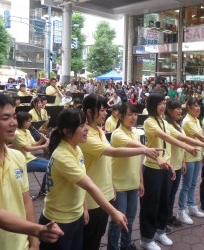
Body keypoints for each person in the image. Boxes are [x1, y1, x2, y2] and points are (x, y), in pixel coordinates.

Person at [0, 93, 63, 250]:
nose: (14, 123)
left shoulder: (17, 157)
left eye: (14, 117)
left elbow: (26, 200)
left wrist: (34, 242)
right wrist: (38, 230)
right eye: (5, 118)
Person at [39, 107, 128, 250]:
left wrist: (84, 208)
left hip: (74, 216)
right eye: (81, 126)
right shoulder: (63, 156)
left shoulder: (76, 148)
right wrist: (114, 212)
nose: (86, 128)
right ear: (67, 131)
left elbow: (79, 183)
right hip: (59, 221)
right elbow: (90, 186)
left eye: (85, 124)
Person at [80, 94, 160, 250]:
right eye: (101, 110)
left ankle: (125, 244)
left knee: (106, 229)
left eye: (105, 110)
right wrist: (146, 150)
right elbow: (114, 153)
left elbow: (110, 163)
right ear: (90, 112)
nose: (105, 114)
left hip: (107, 191)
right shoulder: (87, 134)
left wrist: (137, 180)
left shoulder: (99, 131)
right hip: (93, 196)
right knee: (92, 236)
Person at [140, 93, 201, 250]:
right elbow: (166, 137)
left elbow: (178, 135)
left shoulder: (163, 121)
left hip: (166, 167)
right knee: (151, 204)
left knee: (164, 202)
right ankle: (146, 239)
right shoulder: (149, 122)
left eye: (163, 103)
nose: (162, 106)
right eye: (159, 104)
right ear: (152, 106)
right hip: (153, 169)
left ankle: (160, 231)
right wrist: (187, 147)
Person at [177, 97, 204, 222]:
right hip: (188, 156)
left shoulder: (196, 120)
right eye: (195, 106)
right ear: (188, 107)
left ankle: (191, 206)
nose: (198, 108)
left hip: (196, 156)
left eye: (199, 106)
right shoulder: (187, 121)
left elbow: (199, 138)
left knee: (193, 184)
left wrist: (201, 154)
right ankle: (181, 210)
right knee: (186, 185)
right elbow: (200, 137)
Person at [12, 112, 50, 196]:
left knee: (52, 164)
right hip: (23, 162)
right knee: (50, 167)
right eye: (28, 121)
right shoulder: (17, 134)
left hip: (30, 158)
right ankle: (44, 191)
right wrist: (44, 145)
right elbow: (28, 149)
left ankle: (45, 189)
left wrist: (41, 139)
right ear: (22, 122)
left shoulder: (27, 131)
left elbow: (33, 145)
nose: (30, 123)